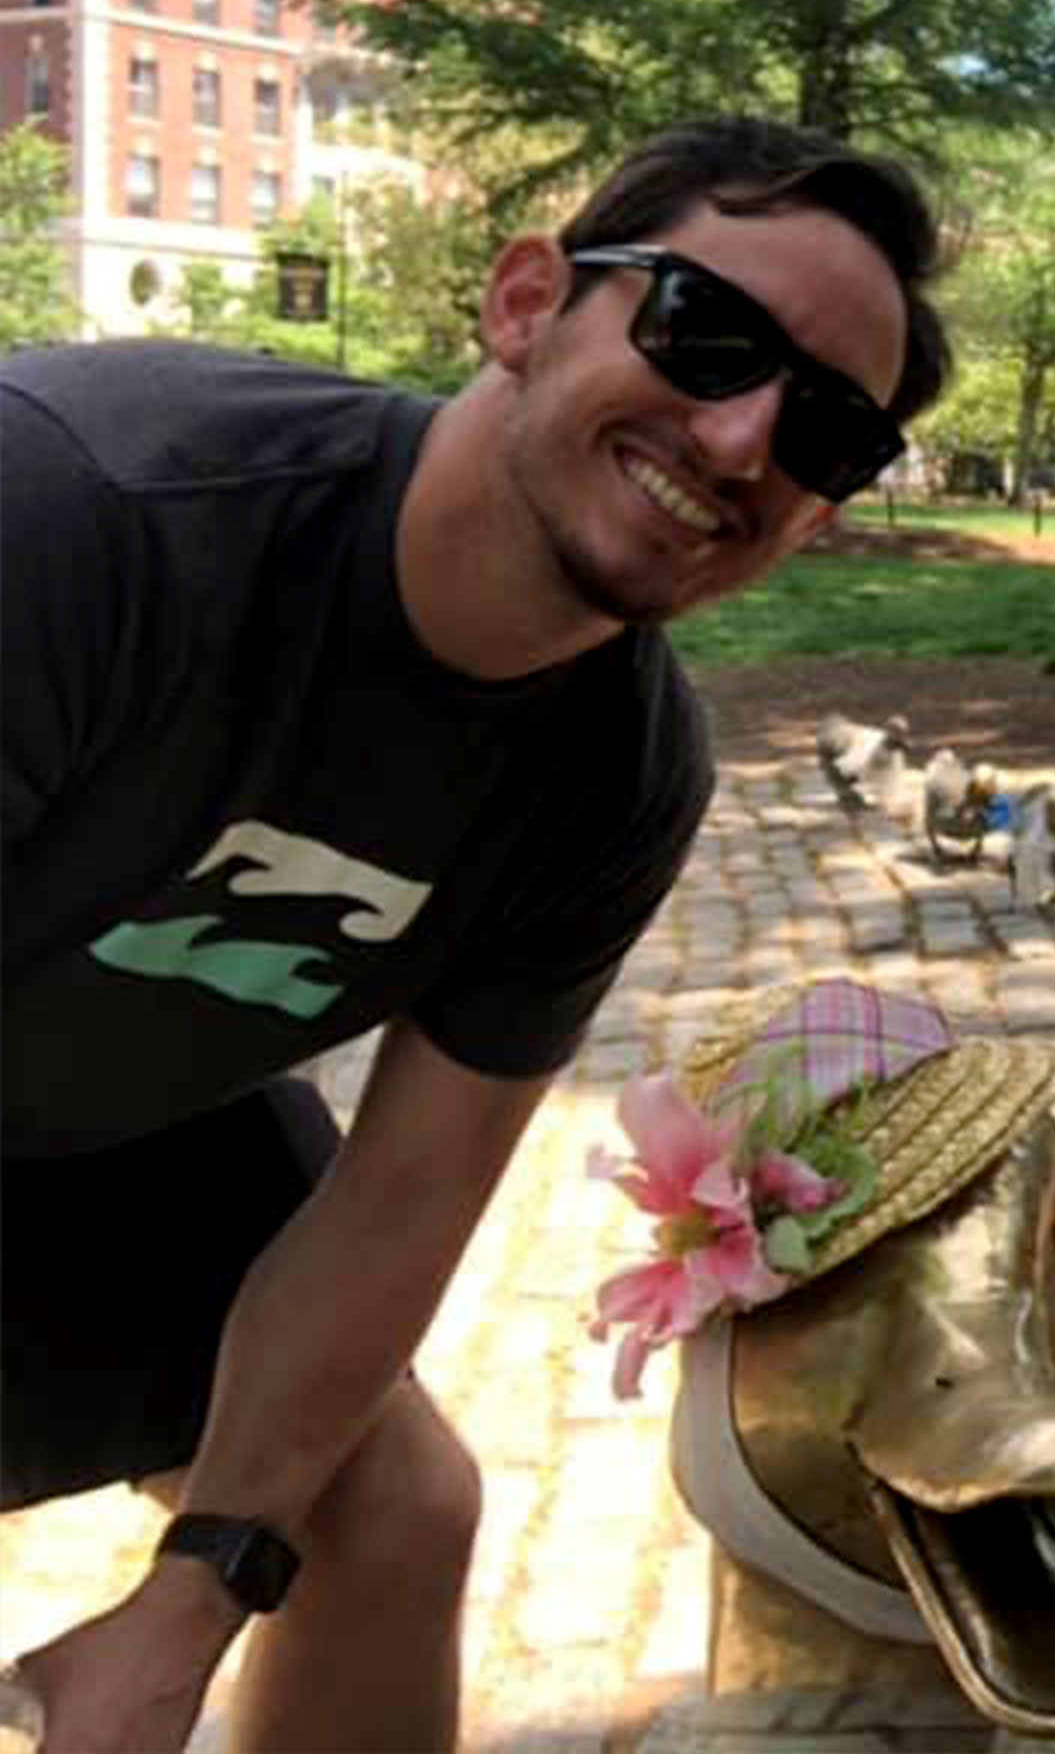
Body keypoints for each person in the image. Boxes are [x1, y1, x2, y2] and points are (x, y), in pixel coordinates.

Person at [0, 115, 946, 1753]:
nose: (740, 438)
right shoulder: (88, 514)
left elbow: (406, 1197)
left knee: (392, 1513)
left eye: (829, 432)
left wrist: (185, 1605)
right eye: (703, 330)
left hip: (106, 1115)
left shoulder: (622, 773)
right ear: (525, 306)